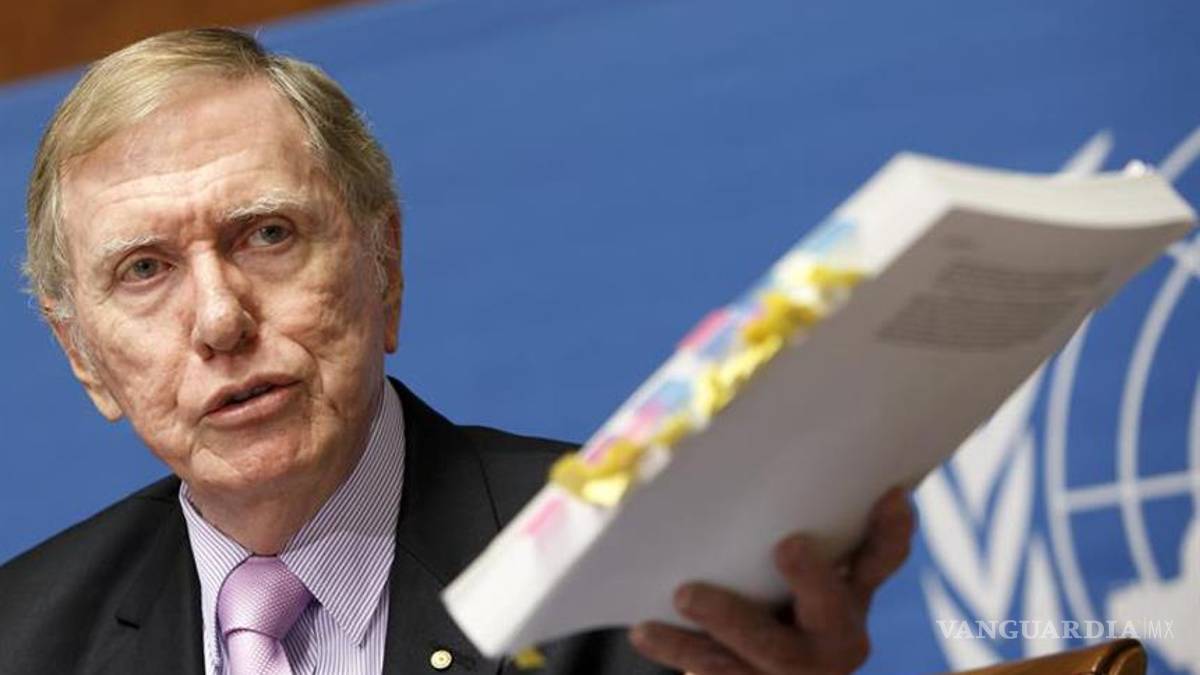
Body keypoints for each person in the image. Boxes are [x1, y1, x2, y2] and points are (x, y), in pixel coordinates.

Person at [0, 28, 915, 675]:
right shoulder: (21, 638)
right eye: (145, 269)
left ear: (384, 263)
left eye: (268, 234)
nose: (219, 319)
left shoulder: (645, 565)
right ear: (81, 353)